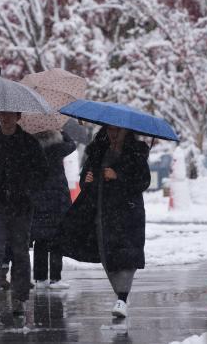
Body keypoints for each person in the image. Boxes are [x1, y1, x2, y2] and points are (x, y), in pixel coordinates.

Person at [56, 125, 150, 319]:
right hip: (100, 212)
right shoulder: (98, 150)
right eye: (110, 130)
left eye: (118, 130)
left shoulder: (136, 153)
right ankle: (121, 294)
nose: (113, 134)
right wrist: (86, 179)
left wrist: (119, 176)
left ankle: (122, 297)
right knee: (107, 255)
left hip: (127, 214)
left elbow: (143, 182)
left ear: (127, 132)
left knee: (126, 256)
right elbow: (86, 178)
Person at [0, 111, 47, 317]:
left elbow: (42, 172)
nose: (5, 118)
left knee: (20, 252)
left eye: (9, 115)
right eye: (1, 114)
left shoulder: (29, 143)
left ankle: (20, 299)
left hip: (21, 207)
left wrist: (27, 183)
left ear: (18, 116)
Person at [31, 130, 76, 290]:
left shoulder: (32, 146)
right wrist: (63, 132)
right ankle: (55, 278)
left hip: (38, 198)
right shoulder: (58, 147)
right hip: (57, 197)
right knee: (57, 239)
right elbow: (72, 145)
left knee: (40, 240)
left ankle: (40, 278)